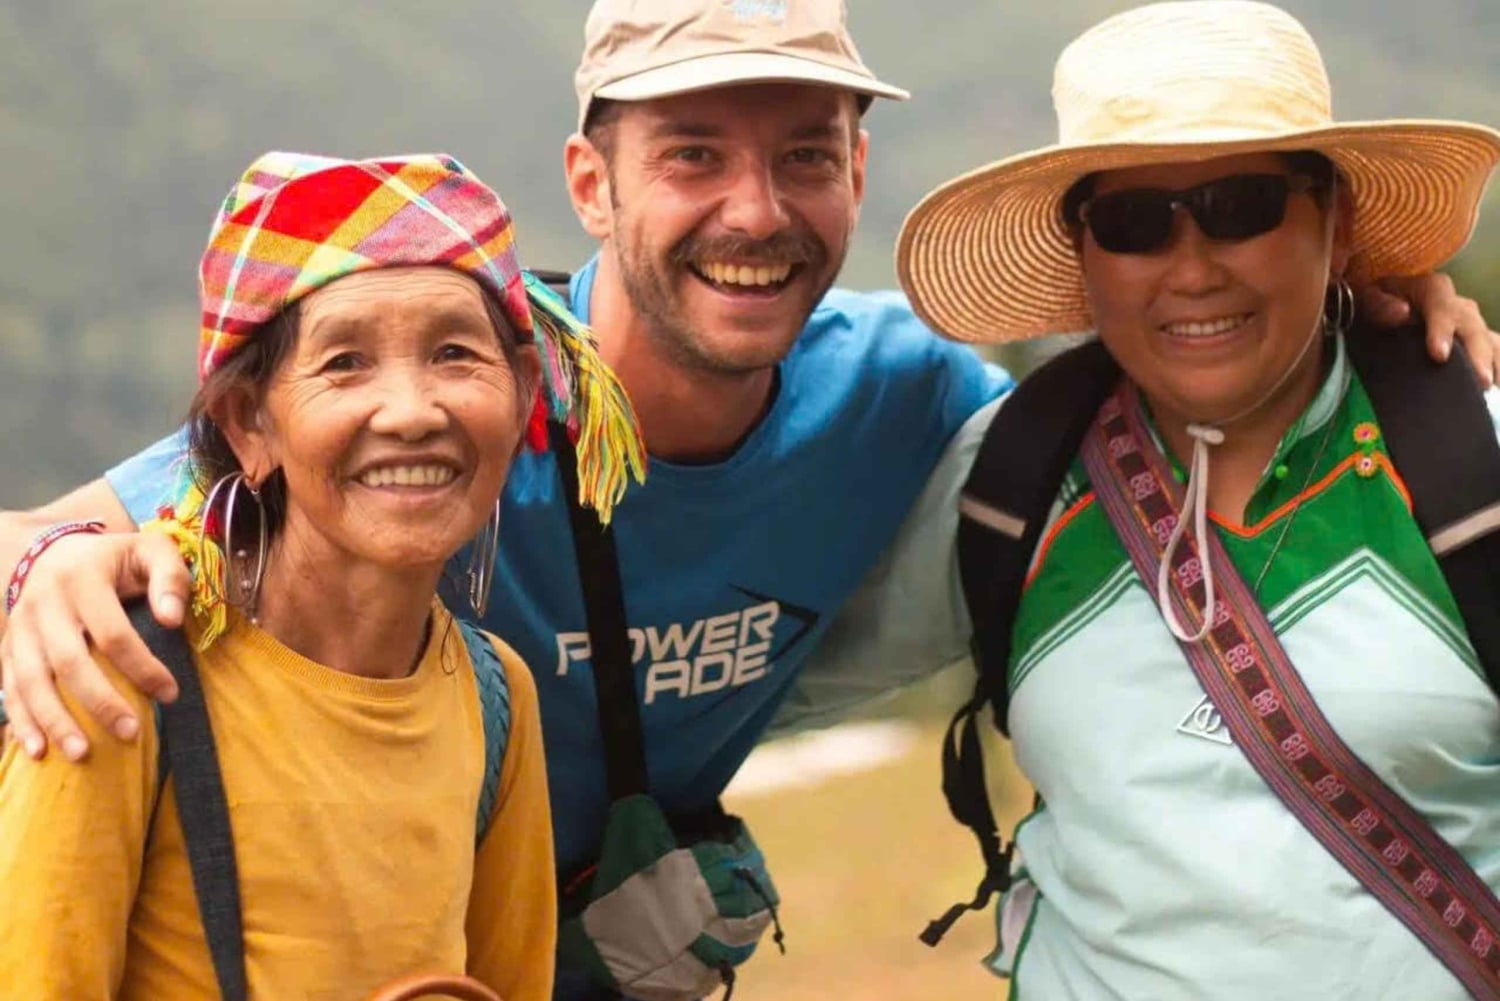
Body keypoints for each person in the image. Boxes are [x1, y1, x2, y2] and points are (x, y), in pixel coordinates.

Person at [0, 0, 1494, 997]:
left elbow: (1182, 375)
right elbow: (67, 523)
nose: (756, 214)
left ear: (858, 168)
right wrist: (52, 568)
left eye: (802, 156)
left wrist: (1369, 309)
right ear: (592, 182)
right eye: (692, 157)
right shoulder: (442, 390)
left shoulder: (923, 407)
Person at [886, 2, 1500, 997]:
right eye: (1132, 223)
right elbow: (760, 672)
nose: (1191, 268)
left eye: (1242, 205)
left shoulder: (1474, 468)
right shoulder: (1005, 487)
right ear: (1085, 257)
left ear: (1333, 221)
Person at [0, 151, 647, 1000]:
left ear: (524, 391)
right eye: (344, 362)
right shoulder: (122, 673)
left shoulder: (496, 699)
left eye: (456, 353)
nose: (413, 412)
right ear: (249, 423)